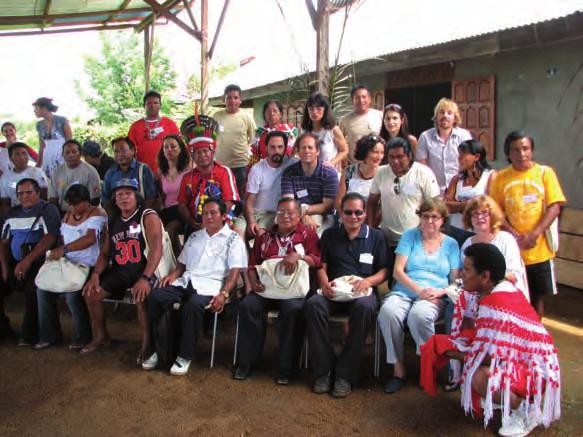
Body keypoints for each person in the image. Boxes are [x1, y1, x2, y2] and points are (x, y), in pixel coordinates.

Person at [420, 243, 561, 436]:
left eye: (467, 269)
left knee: (479, 377)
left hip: (535, 374)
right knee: (471, 365)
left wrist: (450, 351)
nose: (461, 274)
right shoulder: (499, 290)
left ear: (485, 276)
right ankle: (513, 397)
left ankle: (527, 409)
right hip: (531, 366)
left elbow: (488, 357)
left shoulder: (495, 303)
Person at [143, 198, 247, 375]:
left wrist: (224, 294)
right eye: (205, 213)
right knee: (155, 298)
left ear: (223, 216)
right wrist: (172, 276)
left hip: (211, 285)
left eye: (213, 213)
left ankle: (184, 356)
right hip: (186, 281)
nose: (208, 217)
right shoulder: (195, 236)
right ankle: (159, 350)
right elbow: (181, 264)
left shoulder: (233, 240)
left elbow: (234, 273)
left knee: (193, 306)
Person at [305, 193, 388, 398]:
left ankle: (345, 374)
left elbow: (385, 270)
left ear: (364, 213)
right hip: (333, 289)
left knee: (365, 308)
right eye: (348, 212)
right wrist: (323, 282)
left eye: (358, 212)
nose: (353, 217)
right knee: (313, 304)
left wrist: (368, 281)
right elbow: (321, 266)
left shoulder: (376, 236)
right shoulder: (330, 235)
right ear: (340, 213)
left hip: (361, 291)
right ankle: (324, 370)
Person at [377, 199, 460, 393]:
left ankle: (427, 367)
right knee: (388, 312)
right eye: (425, 216)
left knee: (419, 315)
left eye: (434, 217)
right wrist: (418, 291)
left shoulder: (451, 244)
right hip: (406, 289)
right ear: (420, 218)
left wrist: (439, 292)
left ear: (442, 220)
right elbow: (398, 271)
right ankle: (398, 369)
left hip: (435, 293)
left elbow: (455, 280)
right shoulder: (410, 236)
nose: (429, 221)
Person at [233, 198, 320, 384]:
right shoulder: (264, 237)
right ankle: (247, 362)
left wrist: (300, 257)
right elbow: (252, 265)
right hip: (267, 288)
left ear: (299, 215)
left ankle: (287, 367)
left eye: (290, 212)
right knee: (249, 305)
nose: (285, 216)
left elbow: (318, 261)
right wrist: (254, 281)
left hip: (294, 290)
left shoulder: (308, 235)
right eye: (280, 212)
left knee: (293, 310)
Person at [82, 178, 163, 362]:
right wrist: (95, 274)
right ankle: (102, 337)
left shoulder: (147, 215)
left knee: (141, 298)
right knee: (91, 294)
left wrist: (145, 278)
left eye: (128, 193)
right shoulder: (113, 221)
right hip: (121, 271)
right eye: (119, 195)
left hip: (145, 269)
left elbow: (157, 249)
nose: (124, 198)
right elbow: (104, 254)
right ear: (114, 199)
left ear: (136, 196)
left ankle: (147, 344)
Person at [489, 130, 566, 317]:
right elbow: (495, 210)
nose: (521, 154)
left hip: (539, 251)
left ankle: (535, 338)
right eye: (515, 150)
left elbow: (555, 206)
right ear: (508, 153)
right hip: (513, 252)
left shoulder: (544, 173)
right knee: (515, 295)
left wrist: (534, 234)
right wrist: (513, 233)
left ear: (531, 150)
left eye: (525, 149)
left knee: (537, 298)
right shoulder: (501, 177)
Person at [35, 184, 107, 350]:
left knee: (72, 294)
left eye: (76, 204)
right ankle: (49, 335)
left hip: (88, 266)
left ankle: (82, 336)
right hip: (66, 263)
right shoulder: (68, 214)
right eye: (70, 204)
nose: (73, 207)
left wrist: (64, 249)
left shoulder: (97, 214)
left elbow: (90, 239)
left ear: (86, 201)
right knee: (42, 289)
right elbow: (62, 236)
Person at [367, 137, 440, 281]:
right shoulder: (381, 172)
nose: (395, 161)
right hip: (388, 239)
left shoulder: (423, 172)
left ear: (409, 156)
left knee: (410, 278)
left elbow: (435, 205)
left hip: (416, 239)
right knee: (388, 278)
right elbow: (372, 202)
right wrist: (371, 227)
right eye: (391, 157)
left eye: (400, 157)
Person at [0, 178, 61, 346]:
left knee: (33, 288)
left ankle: (30, 334)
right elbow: (3, 243)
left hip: (40, 261)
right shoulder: (11, 214)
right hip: (15, 262)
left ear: (38, 193)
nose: (24, 196)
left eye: (29, 192)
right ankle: (3, 328)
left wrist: (27, 261)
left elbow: (50, 238)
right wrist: (5, 268)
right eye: (20, 193)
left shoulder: (48, 209)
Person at [177, 115, 239, 233]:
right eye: (198, 152)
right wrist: (192, 222)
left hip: (222, 223)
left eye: (205, 151)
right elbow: (182, 204)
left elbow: (229, 202)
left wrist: (213, 222)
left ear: (212, 152)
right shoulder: (187, 178)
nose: (202, 155)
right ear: (192, 155)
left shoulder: (224, 171)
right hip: (195, 225)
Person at [460, 195, 528, 297]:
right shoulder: (467, 243)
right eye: (475, 214)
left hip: (505, 293)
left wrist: (484, 283)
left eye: (484, 213)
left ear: (492, 215)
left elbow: (514, 275)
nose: (479, 217)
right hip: (474, 294)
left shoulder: (506, 239)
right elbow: (464, 273)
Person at [237, 130, 297, 239]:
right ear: (266, 148)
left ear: (285, 148)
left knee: (261, 236)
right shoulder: (257, 169)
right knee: (237, 236)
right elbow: (249, 200)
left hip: (273, 215)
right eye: (272, 147)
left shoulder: (292, 164)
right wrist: (251, 221)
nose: (276, 151)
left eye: (280, 147)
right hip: (253, 213)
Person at [281, 132, 339, 235]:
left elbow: (328, 206)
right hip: (295, 214)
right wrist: (303, 215)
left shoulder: (329, 173)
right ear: (298, 152)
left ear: (317, 151)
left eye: (310, 147)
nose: (307, 151)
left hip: (323, 215)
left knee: (314, 233)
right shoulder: (289, 172)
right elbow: (288, 202)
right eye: (303, 148)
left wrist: (306, 210)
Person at [416, 98, 473, 195]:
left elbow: (469, 164)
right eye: (441, 112)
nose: (445, 115)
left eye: (449, 113)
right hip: (434, 192)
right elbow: (422, 168)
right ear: (436, 116)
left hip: (460, 191)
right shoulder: (425, 136)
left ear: (455, 118)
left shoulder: (464, 136)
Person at [445, 139, 495, 240]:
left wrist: (457, 205)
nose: (459, 158)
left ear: (476, 157)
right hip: (456, 230)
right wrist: (468, 204)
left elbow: (489, 205)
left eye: (464, 154)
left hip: (479, 232)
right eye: (459, 154)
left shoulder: (490, 176)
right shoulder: (456, 179)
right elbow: (446, 205)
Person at [213, 84, 256, 199]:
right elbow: (211, 139)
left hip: (240, 165)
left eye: (236, 97)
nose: (232, 101)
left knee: (241, 196)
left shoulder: (246, 117)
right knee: (221, 195)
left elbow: (252, 140)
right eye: (229, 98)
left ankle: (241, 217)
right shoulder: (216, 116)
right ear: (224, 100)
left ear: (240, 100)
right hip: (221, 165)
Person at [127, 90, 180, 174]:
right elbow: (129, 152)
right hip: (142, 172)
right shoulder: (135, 127)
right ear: (144, 106)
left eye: (156, 103)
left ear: (160, 105)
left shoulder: (169, 123)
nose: (152, 106)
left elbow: (180, 147)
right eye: (149, 103)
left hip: (167, 172)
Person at [101, 137, 158, 211]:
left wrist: (138, 216)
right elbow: (106, 199)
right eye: (116, 151)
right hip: (118, 216)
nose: (120, 154)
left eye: (123, 151)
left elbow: (151, 197)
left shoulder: (143, 169)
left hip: (141, 213)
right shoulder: (111, 173)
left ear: (133, 151)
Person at [157, 134, 191, 255]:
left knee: (170, 230)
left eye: (173, 146)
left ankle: (173, 264)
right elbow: (162, 196)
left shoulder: (189, 169)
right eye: (166, 147)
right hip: (168, 210)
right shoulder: (161, 171)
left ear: (181, 148)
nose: (169, 150)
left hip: (183, 210)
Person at [49, 139, 102, 213]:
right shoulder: (56, 172)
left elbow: (95, 199)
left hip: (86, 213)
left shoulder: (90, 171)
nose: (70, 155)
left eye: (74, 152)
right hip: (63, 212)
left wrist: (79, 214)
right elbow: (52, 198)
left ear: (80, 154)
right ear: (62, 155)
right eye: (67, 152)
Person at [335, 134, 385, 211]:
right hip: (348, 217)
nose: (379, 157)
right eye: (375, 152)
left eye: (382, 153)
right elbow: (339, 202)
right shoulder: (349, 171)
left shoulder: (383, 175)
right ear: (364, 152)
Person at [301, 93, 348, 173]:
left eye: (318, 109)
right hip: (310, 174)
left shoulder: (333, 130)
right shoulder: (304, 131)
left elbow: (344, 150)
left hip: (330, 174)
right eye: (311, 109)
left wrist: (332, 163)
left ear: (325, 110)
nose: (315, 112)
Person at [339, 85, 383, 163]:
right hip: (355, 165)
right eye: (357, 97)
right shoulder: (345, 120)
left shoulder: (380, 116)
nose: (361, 100)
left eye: (364, 97)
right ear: (352, 100)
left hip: (379, 164)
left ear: (369, 99)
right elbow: (338, 143)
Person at [0, 143, 49, 213]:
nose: (21, 157)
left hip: (36, 212)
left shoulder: (37, 172)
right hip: (15, 215)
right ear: (11, 158)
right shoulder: (5, 178)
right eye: (17, 154)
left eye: (24, 153)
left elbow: (44, 198)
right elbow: (4, 203)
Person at [248, 99, 297, 168]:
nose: (272, 113)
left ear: (280, 114)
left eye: (275, 111)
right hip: (266, 171)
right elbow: (254, 156)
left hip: (288, 170)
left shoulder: (291, 130)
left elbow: (297, 153)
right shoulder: (259, 132)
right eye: (268, 111)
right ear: (264, 115)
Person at [33, 97, 73, 178]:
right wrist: (38, 165)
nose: (34, 111)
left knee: (63, 181)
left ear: (44, 108)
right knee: (49, 183)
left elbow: (70, 142)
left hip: (62, 157)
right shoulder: (39, 125)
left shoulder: (62, 120)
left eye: (36, 108)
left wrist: (70, 159)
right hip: (47, 158)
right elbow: (41, 146)